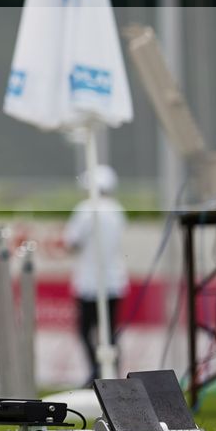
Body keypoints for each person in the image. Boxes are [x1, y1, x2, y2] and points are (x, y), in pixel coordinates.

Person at [65, 164, 127, 384]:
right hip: (114, 280)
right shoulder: (117, 210)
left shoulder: (85, 210)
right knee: (110, 332)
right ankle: (111, 372)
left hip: (90, 282)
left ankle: (95, 372)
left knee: (85, 330)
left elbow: (71, 242)